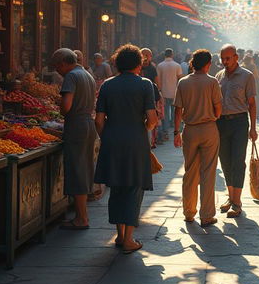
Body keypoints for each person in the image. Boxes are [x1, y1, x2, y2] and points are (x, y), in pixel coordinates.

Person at [94, 44, 157, 253]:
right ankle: (129, 239)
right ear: (139, 64)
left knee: (116, 188)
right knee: (133, 187)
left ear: (117, 63)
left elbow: (99, 120)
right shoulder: (145, 84)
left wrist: (108, 136)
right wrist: (144, 130)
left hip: (112, 140)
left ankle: (120, 235)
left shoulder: (107, 85)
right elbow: (152, 118)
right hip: (135, 141)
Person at [173, 49, 223, 227]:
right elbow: (218, 108)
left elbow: (178, 110)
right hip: (209, 128)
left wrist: (176, 132)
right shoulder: (212, 82)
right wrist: (213, 116)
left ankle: (189, 212)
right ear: (208, 64)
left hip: (190, 130)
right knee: (208, 172)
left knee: (190, 172)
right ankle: (207, 214)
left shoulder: (183, 82)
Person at [51, 48, 97, 230]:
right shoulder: (87, 74)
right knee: (84, 168)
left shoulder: (71, 76)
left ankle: (81, 218)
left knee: (77, 169)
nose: (57, 71)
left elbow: (67, 107)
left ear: (63, 63)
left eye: (57, 67)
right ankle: (81, 215)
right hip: (88, 123)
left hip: (76, 125)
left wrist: (60, 105)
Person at [216, 44, 258, 218]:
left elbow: (252, 104)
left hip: (240, 122)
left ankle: (237, 201)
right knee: (224, 160)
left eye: (228, 58)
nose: (225, 62)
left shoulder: (247, 76)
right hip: (221, 123)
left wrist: (253, 128)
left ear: (236, 57)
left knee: (238, 161)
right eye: (222, 59)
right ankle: (230, 196)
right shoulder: (219, 76)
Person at [157, 48, 183, 140]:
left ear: (165, 55)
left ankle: (166, 131)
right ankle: (176, 129)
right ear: (172, 55)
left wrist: (159, 90)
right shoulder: (177, 65)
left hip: (163, 92)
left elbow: (158, 79)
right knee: (175, 111)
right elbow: (180, 79)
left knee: (166, 113)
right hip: (175, 92)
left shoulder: (160, 66)